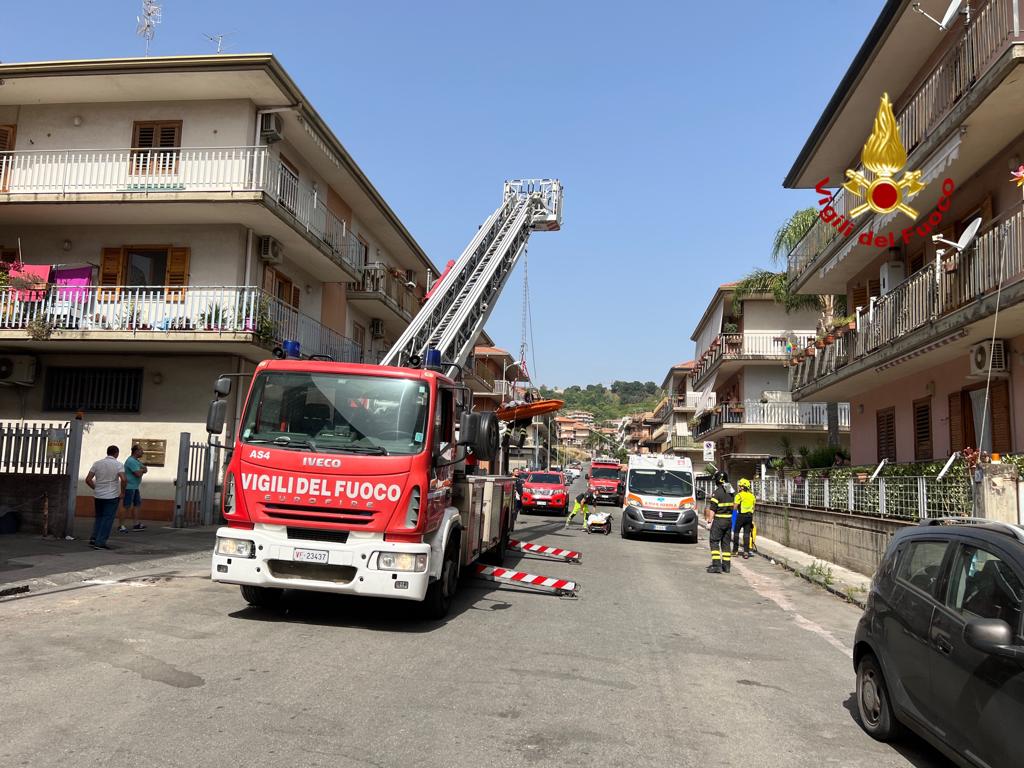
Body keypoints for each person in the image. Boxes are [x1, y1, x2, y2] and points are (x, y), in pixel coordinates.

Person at [85, 445, 125, 550]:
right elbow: (124, 479)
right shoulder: (118, 465)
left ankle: (94, 538)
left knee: (99, 517)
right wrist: (122, 492)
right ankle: (100, 542)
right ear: (116, 453)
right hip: (111, 496)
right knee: (107, 519)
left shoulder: (97, 463)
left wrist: (96, 488)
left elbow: (88, 479)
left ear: (107, 452)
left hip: (98, 495)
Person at [705, 472, 734, 573]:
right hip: (729, 521)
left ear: (718, 480)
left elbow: (713, 509)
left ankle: (716, 565)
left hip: (719, 521)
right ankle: (726, 566)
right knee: (726, 543)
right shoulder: (731, 491)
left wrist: (709, 521)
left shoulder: (716, 493)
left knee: (714, 541)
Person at [118, 444, 148, 532]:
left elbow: (145, 469)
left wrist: (141, 470)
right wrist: (142, 470)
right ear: (136, 451)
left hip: (135, 487)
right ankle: (121, 525)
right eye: (141, 450)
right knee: (126, 506)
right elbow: (138, 473)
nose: (142, 452)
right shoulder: (131, 461)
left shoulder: (136, 461)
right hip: (129, 487)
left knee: (137, 505)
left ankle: (136, 524)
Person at [732, 478, 757, 559]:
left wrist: (733, 518)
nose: (739, 487)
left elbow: (735, 508)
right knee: (746, 534)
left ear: (743, 487)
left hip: (741, 516)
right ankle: (746, 552)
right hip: (749, 517)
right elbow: (753, 508)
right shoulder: (752, 496)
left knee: (736, 533)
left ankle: (735, 551)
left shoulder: (739, 495)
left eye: (740, 486)